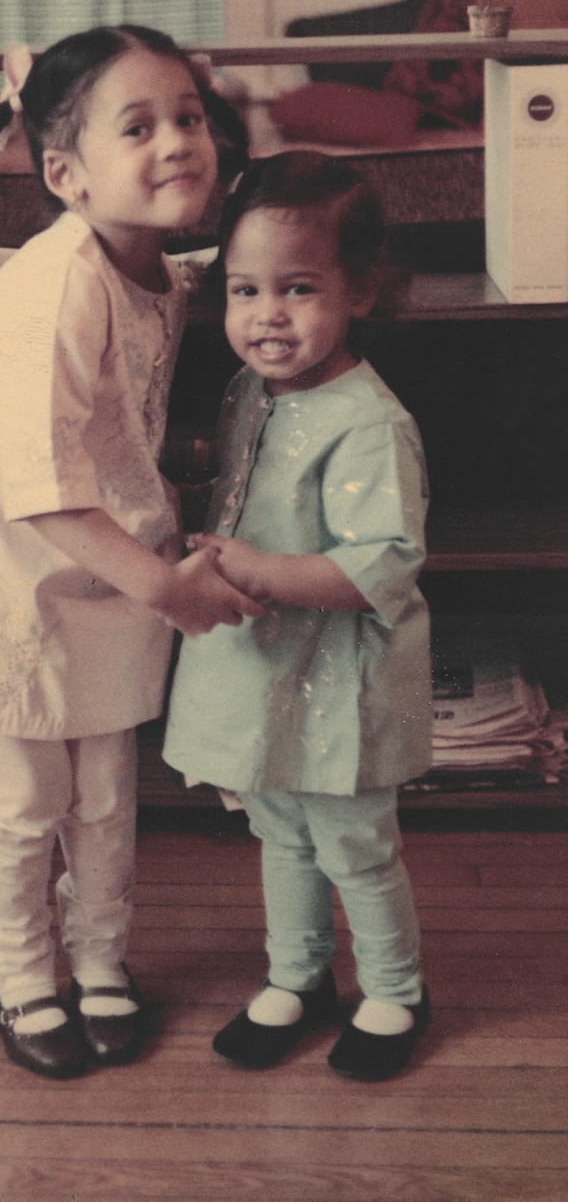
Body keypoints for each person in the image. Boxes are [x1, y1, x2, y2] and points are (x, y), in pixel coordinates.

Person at [0, 24, 260, 1080]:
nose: (177, 143)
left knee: (109, 792)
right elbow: (36, 489)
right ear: (65, 176)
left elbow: (171, 312)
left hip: (104, 567)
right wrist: (171, 589)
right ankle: (24, 973)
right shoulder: (54, 288)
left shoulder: (151, 262)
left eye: (189, 117)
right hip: (9, 580)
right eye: (140, 126)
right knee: (27, 802)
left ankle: (102, 957)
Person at [163, 150, 433, 1082]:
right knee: (276, 826)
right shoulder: (252, 391)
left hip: (338, 681)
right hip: (267, 667)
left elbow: (382, 563)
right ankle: (298, 976)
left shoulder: (370, 420)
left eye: (298, 288)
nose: (266, 316)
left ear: (360, 291)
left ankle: (396, 990)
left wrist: (255, 566)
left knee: (354, 841)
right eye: (244, 289)